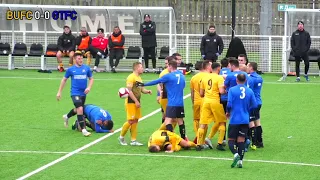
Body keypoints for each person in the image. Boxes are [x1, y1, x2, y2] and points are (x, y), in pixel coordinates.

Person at [136, 60, 187, 141]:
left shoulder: (169, 76)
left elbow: (156, 81)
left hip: (172, 103)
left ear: (170, 66)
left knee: (167, 121)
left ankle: (173, 138)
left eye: (168, 66)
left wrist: (143, 84)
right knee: (180, 121)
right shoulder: (182, 75)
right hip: (180, 103)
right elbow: (183, 86)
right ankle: (184, 139)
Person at [57, 51, 94, 137]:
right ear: (74, 59)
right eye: (79, 58)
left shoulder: (87, 68)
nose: (81, 60)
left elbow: (91, 79)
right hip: (75, 93)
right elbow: (64, 80)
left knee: (78, 109)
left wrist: (89, 87)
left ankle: (66, 116)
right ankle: (84, 130)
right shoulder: (71, 70)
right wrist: (59, 92)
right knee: (80, 108)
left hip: (83, 93)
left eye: (81, 58)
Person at [226, 74, 257, 168]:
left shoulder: (232, 90)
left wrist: (228, 112)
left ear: (236, 80)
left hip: (235, 119)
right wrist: (247, 110)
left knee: (231, 140)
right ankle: (240, 162)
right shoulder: (250, 91)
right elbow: (255, 105)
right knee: (241, 140)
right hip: (245, 119)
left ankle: (235, 154)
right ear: (245, 80)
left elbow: (229, 104)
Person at [118, 62, 152, 146]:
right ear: (137, 68)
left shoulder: (139, 78)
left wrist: (147, 91)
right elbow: (129, 91)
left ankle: (133, 140)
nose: (142, 69)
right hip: (131, 102)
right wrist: (136, 101)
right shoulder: (131, 77)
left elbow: (142, 89)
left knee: (136, 120)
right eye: (141, 67)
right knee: (130, 120)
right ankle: (121, 137)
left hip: (137, 101)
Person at [197, 62, 226, 151]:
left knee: (202, 124)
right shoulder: (219, 78)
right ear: (218, 69)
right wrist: (226, 90)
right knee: (221, 122)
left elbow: (201, 93)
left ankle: (199, 144)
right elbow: (221, 91)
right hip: (215, 102)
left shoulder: (204, 77)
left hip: (206, 102)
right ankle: (220, 143)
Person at [206, 58, 231, 145]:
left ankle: (222, 139)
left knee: (220, 120)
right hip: (227, 98)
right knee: (224, 120)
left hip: (218, 100)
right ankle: (225, 140)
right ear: (228, 64)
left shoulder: (214, 75)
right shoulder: (231, 72)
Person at [190, 60, 208, 142]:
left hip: (197, 101)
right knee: (204, 121)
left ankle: (198, 137)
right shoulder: (209, 76)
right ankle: (202, 139)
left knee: (196, 120)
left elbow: (192, 92)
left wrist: (193, 102)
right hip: (205, 101)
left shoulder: (194, 77)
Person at [247, 62, 264, 148]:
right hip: (259, 102)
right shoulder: (259, 77)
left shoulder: (250, 79)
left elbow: (249, 91)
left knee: (251, 123)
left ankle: (254, 142)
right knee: (258, 122)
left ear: (251, 68)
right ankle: (260, 141)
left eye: (247, 66)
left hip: (252, 103)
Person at [157, 56, 174, 124]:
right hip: (166, 97)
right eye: (165, 63)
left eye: (167, 63)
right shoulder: (164, 73)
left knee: (168, 116)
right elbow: (159, 84)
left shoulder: (175, 72)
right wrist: (159, 94)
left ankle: (166, 131)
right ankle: (162, 131)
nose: (166, 65)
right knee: (168, 116)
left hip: (172, 97)